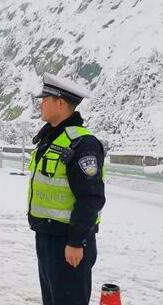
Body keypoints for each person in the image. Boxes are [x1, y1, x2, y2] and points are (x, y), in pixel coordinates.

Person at [28, 73, 106, 305]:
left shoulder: (82, 143)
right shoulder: (51, 139)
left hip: (68, 241)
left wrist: (76, 242)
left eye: (46, 99)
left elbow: (91, 198)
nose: (41, 103)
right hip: (47, 236)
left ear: (60, 103)